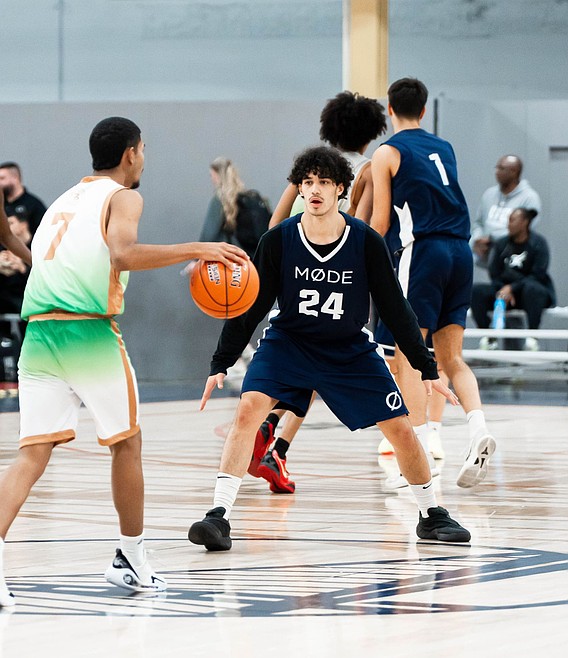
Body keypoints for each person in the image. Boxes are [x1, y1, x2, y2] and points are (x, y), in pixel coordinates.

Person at [0, 116, 248, 608]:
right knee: (127, 443)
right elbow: (122, 254)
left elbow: (35, 257)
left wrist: (9, 241)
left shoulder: (62, 202)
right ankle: (131, 559)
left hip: (39, 335)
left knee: (32, 454)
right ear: (131, 153)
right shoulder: (123, 196)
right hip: (87, 333)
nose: (144, 159)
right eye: (143, 150)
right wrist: (200, 247)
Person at [188, 145, 471, 553]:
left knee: (401, 430)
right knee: (249, 409)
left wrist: (426, 366)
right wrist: (221, 361)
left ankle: (431, 515)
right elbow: (250, 308)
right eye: (308, 182)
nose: (315, 189)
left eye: (324, 182)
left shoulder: (365, 242)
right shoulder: (278, 240)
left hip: (348, 349)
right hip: (289, 343)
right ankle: (218, 516)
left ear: (341, 188)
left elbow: (396, 307)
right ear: (300, 189)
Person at [252, 90, 388, 493]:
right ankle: (275, 436)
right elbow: (361, 228)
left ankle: (272, 435)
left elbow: (274, 225)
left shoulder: (308, 170)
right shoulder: (363, 172)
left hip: (291, 272)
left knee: (303, 359)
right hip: (331, 277)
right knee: (323, 359)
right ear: (371, 132)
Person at [370, 77, 496, 490]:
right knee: (452, 356)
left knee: (408, 352)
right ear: (423, 111)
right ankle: (478, 429)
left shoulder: (386, 152)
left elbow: (381, 222)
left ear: (390, 109)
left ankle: (420, 455)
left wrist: (359, 254)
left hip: (423, 252)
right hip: (461, 252)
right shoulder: (445, 147)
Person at [471, 207, 555, 351]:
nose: (508, 224)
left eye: (512, 220)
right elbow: (494, 273)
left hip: (529, 294)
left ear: (524, 222)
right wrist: (504, 289)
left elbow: (538, 274)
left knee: (533, 289)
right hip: (504, 294)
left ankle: (532, 338)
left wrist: (513, 288)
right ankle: (489, 337)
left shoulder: (538, 243)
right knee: (476, 291)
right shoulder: (502, 244)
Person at [470, 155, 541, 268]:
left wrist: (492, 238)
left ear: (514, 172)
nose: (497, 172)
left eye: (501, 168)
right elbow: (479, 223)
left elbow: (527, 230)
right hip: (487, 257)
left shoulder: (530, 198)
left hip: (513, 258)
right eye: (497, 168)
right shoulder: (489, 194)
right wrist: (477, 239)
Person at [0, 161, 47, 235]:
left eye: (2, 178)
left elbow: (44, 234)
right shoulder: (2, 204)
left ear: (15, 178)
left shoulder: (34, 205)